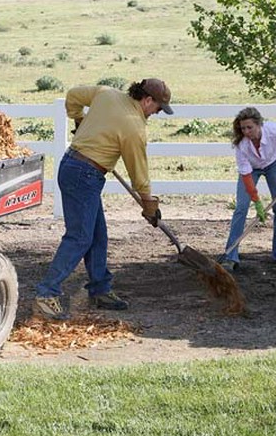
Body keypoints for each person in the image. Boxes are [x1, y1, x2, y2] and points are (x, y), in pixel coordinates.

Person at [33, 78, 173, 319]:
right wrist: (149, 204)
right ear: (147, 100)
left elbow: (73, 94)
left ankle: (100, 289)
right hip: (85, 175)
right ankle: (46, 294)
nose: (157, 113)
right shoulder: (134, 127)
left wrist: (78, 119)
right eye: (158, 108)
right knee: (80, 237)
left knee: (97, 235)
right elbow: (138, 172)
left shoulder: (107, 94)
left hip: (74, 166)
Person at [220, 107, 276, 272]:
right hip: (251, 170)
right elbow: (247, 176)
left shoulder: (273, 130)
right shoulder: (241, 146)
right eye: (243, 128)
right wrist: (257, 203)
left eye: (250, 127)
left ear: (259, 124)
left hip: (273, 165)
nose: (247, 131)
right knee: (241, 208)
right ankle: (230, 256)